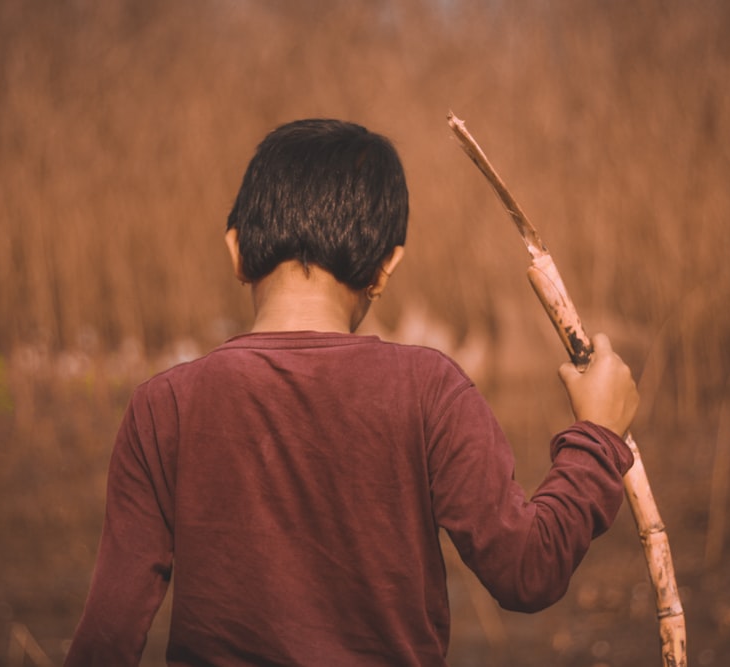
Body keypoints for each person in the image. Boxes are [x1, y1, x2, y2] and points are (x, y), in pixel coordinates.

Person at [65, 118, 639, 666]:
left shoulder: (163, 406)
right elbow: (528, 570)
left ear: (236, 252)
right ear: (386, 268)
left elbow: (107, 640)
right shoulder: (429, 390)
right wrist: (595, 440)